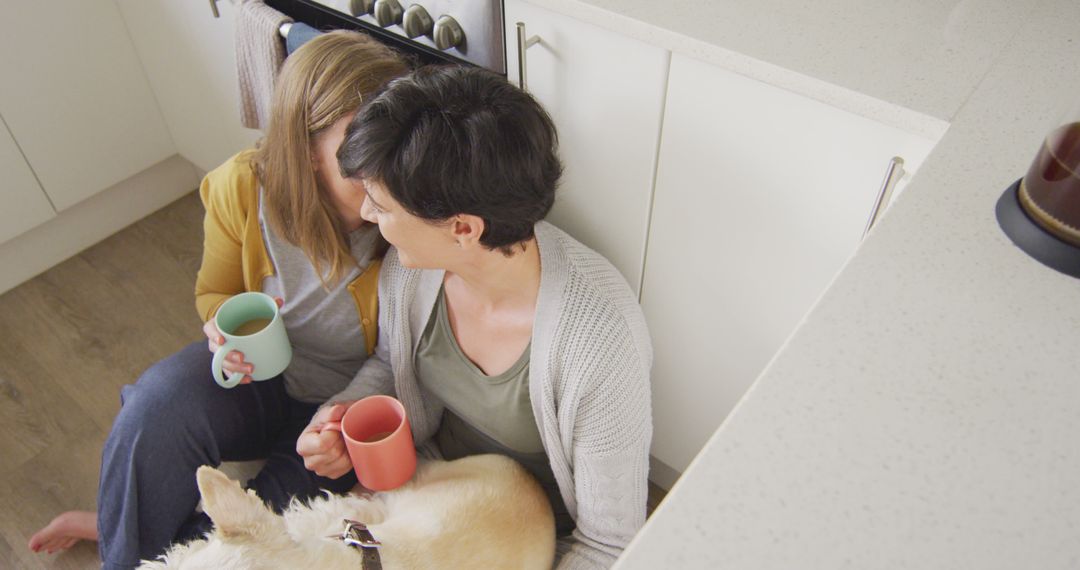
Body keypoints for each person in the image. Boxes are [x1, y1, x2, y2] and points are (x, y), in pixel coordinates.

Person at [28, 32, 409, 569]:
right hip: (257, 379)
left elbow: (399, 358)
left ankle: (122, 528)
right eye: (358, 141)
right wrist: (219, 331)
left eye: (394, 136)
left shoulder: (405, 221)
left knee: (263, 534)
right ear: (307, 150)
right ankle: (126, 542)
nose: (386, 162)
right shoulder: (238, 188)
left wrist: (334, 421)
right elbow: (215, 292)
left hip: (343, 407)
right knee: (154, 409)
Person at [296, 65, 654, 568]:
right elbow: (389, 366)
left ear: (463, 228)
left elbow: (609, 545)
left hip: (525, 540)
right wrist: (342, 413)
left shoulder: (599, 339)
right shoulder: (411, 271)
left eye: (382, 206)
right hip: (425, 491)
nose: (370, 217)